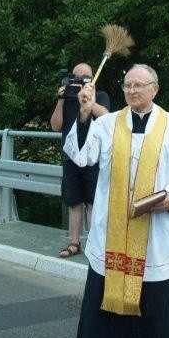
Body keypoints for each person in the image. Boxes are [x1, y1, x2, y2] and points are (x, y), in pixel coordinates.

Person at [63, 64, 169, 338]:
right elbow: (81, 157)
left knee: (152, 296)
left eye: (139, 85)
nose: (132, 91)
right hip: (113, 227)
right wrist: (84, 115)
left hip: (155, 230)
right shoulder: (108, 123)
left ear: (155, 89)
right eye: (127, 86)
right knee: (107, 291)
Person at [50, 63, 110, 257]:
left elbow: (107, 117)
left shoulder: (100, 97)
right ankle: (74, 242)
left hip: (94, 158)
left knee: (93, 202)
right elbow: (56, 126)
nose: (79, 80)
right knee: (74, 202)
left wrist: (90, 102)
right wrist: (60, 101)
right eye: (76, 77)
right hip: (72, 157)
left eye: (84, 77)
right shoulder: (67, 98)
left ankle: (93, 243)